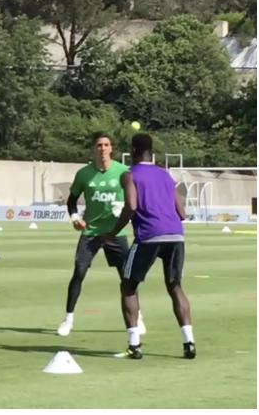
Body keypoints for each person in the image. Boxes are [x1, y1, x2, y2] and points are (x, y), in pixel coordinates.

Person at [109, 133, 194, 360]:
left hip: (149, 235)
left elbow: (132, 205)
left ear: (134, 151)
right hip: (176, 235)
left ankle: (134, 345)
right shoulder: (165, 175)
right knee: (175, 287)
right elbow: (182, 212)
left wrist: (113, 231)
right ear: (151, 152)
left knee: (128, 286)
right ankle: (189, 342)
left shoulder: (129, 175)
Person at [56, 132, 143, 337]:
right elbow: (71, 200)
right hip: (91, 232)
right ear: (94, 149)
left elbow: (136, 197)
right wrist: (75, 218)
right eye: (99, 145)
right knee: (79, 272)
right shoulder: (84, 174)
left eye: (106, 145)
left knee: (127, 278)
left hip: (117, 233)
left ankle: (138, 318)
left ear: (111, 148)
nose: (102, 148)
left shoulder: (124, 172)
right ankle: (68, 319)